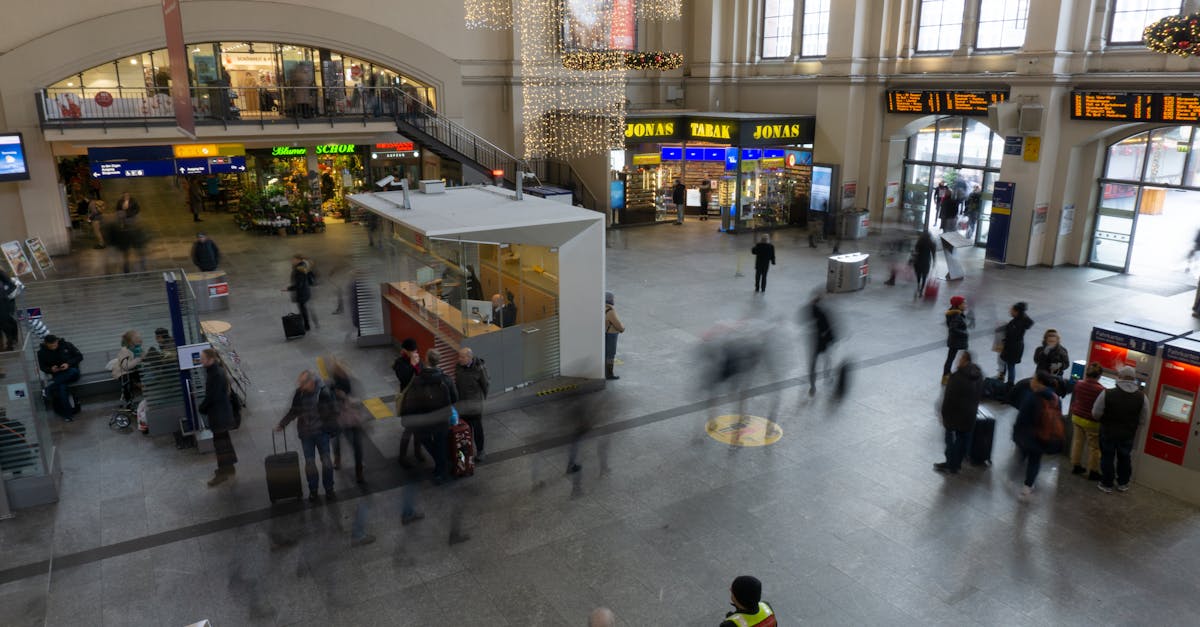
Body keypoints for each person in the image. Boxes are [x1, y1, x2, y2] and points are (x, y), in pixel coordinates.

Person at [275, 370, 339, 502]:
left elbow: (333, 411)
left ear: (311, 382)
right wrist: (282, 424)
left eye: (303, 383)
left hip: (321, 433)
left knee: (326, 462)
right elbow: (294, 411)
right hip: (306, 435)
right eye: (300, 383)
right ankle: (313, 490)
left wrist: (331, 429)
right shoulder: (300, 393)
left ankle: (329, 489)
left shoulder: (323, 392)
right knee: (309, 463)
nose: (301, 386)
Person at [400, 351, 458, 483]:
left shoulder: (417, 380)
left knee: (425, 440)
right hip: (442, 419)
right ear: (438, 361)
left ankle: (440, 465)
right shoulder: (446, 379)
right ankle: (441, 471)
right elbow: (455, 398)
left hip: (424, 419)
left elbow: (411, 402)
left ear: (426, 360)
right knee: (440, 443)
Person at [1093, 365, 1149, 493]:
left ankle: (1106, 484)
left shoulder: (1107, 393)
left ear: (1120, 377)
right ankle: (1123, 483)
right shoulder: (1142, 397)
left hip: (1108, 431)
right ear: (1134, 379)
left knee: (1107, 457)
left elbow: (1096, 413)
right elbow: (1143, 419)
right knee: (1124, 458)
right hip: (1128, 434)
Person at [1012, 371, 1059, 501]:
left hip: (1028, 435)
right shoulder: (1055, 398)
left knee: (1022, 455)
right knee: (1035, 461)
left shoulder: (1032, 397)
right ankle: (1027, 487)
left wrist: (1016, 433)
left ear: (1040, 382)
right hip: (1044, 436)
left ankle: (1013, 477)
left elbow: (1022, 418)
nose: (1031, 381)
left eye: (1034, 379)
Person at [935, 351, 983, 474]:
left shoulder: (957, 377)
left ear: (965, 360)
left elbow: (948, 399)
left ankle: (950, 464)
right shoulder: (978, 375)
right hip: (969, 416)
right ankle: (956, 465)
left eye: (960, 358)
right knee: (962, 441)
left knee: (950, 440)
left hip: (954, 416)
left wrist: (944, 415)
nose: (958, 361)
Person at [198, 348, 237, 486]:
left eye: (202, 358)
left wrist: (202, 408)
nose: (200, 361)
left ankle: (223, 473)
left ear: (210, 359)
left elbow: (212, 397)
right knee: (224, 441)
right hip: (222, 414)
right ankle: (230, 468)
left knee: (220, 445)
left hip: (219, 416)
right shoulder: (216, 371)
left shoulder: (215, 374)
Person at [328, 358, 365, 484]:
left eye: (343, 370)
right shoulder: (332, 385)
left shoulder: (352, 381)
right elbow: (329, 403)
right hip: (340, 419)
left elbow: (359, 398)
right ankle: (337, 457)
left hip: (353, 418)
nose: (343, 372)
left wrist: (348, 399)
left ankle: (359, 469)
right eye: (340, 370)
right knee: (336, 439)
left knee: (357, 445)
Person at [1069, 362, 1108, 481]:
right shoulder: (1102, 390)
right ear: (1099, 376)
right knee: (1094, 447)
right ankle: (1093, 471)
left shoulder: (1079, 384)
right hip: (1091, 421)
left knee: (1077, 442)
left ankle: (1076, 465)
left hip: (1076, 417)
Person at [393, 338, 426, 467]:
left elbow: (423, 376)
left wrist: (417, 365)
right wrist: (412, 365)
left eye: (415, 350)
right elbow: (404, 378)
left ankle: (418, 451)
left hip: (419, 399)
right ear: (405, 351)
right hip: (408, 401)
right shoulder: (399, 363)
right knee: (409, 428)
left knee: (419, 428)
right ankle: (402, 457)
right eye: (412, 351)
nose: (414, 353)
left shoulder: (418, 360)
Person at [37, 334, 83, 421]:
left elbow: (79, 356)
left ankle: (49, 388)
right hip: (58, 375)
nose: (53, 347)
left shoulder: (67, 345)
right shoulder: (41, 353)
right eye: (51, 346)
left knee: (73, 371)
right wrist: (51, 369)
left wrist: (68, 364)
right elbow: (43, 367)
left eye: (55, 344)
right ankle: (68, 415)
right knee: (62, 389)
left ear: (57, 341)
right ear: (46, 344)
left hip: (71, 372)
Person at [455, 347, 490, 461]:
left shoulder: (479, 368)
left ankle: (480, 451)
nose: (459, 359)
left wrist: (480, 401)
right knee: (466, 431)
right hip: (462, 405)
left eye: (462, 357)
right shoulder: (458, 366)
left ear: (469, 358)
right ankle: (468, 452)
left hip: (474, 406)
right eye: (459, 356)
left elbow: (485, 385)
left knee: (477, 429)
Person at [807, 294, 835, 396]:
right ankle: (827, 378)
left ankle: (813, 386)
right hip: (823, 342)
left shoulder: (813, 311)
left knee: (814, 365)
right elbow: (829, 327)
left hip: (816, 342)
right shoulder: (823, 312)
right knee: (826, 360)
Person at [998, 302, 1034, 383]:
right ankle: (1004, 378)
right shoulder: (1019, 320)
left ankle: (1010, 383)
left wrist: (1005, 339)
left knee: (1010, 365)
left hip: (1013, 348)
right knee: (1008, 364)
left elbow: (1012, 335)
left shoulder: (1018, 323)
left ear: (1017, 312)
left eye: (1012, 310)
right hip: (1015, 347)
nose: (1010, 311)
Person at [942, 295, 971, 385]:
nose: (965, 305)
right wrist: (964, 333)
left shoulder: (954, 313)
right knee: (953, 358)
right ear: (958, 305)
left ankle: (946, 374)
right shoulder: (956, 315)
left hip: (955, 340)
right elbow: (953, 328)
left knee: (951, 358)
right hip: (956, 341)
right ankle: (946, 375)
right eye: (963, 303)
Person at [110, 330, 143, 404]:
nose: (140, 340)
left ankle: (146, 392)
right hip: (122, 371)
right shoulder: (124, 351)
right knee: (127, 381)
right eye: (137, 338)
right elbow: (126, 366)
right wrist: (138, 359)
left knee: (142, 376)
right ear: (130, 341)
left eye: (140, 338)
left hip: (132, 370)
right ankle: (128, 400)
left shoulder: (137, 349)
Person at [284, 254, 315, 331]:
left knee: (303, 309)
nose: (292, 261)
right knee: (303, 309)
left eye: (294, 259)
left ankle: (306, 325)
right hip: (304, 290)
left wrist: (288, 288)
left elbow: (299, 284)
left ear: (299, 260)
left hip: (302, 292)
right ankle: (307, 324)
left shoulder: (299, 269)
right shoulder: (302, 266)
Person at [604, 292, 625, 380]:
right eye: (612, 298)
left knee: (606, 353)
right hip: (611, 334)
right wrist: (622, 329)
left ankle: (605, 372)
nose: (613, 300)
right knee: (611, 354)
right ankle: (609, 374)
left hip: (605, 333)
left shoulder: (602, 308)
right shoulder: (610, 311)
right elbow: (617, 324)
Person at [912, 229, 937, 298]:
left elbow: (915, 251)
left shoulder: (919, 242)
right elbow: (933, 254)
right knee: (924, 276)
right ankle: (921, 290)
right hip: (926, 261)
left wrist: (912, 259)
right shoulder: (931, 243)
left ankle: (918, 285)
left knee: (918, 275)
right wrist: (934, 262)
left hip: (918, 261)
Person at [0, 268, 18, 353]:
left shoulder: (1, 273)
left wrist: (4, 294)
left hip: (3, 303)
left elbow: (11, 285)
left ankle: (10, 343)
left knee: (5, 323)